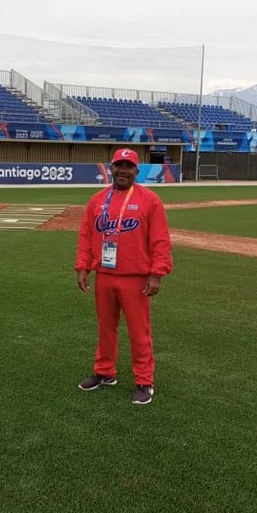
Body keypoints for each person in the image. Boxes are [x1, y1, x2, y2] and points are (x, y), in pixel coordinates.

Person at [75, 148, 173, 405]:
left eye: (128, 166)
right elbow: (86, 236)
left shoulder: (149, 200)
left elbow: (160, 240)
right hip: (104, 275)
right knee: (106, 328)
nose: (122, 171)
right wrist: (83, 267)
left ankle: (144, 381)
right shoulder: (97, 200)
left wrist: (157, 273)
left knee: (139, 331)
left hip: (135, 277)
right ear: (111, 168)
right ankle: (105, 372)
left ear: (136, 171)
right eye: (118, 165)